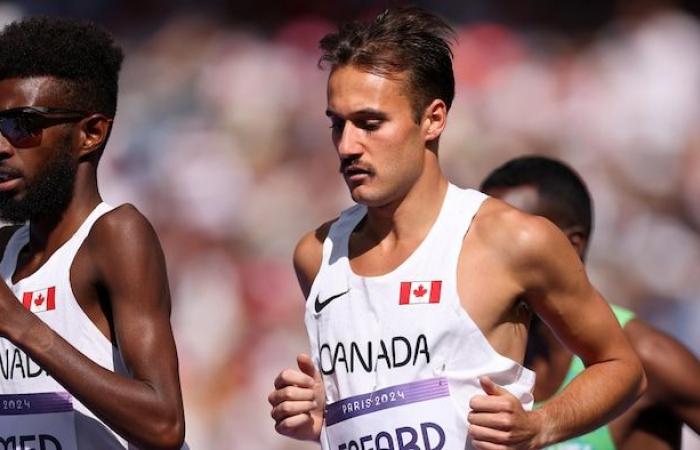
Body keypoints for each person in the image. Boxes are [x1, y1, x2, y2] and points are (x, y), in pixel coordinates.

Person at [268, 7, 645, 450]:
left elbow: (623, 368)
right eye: (337, 124)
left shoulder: (510, 240)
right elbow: (368, 410)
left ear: (434, 119)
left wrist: (540, 425)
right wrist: (320, 417)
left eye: (370, 123)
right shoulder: (316, 254)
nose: (348, 146)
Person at [0, 17, 186, 449]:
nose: (2, 144)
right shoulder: (6, 250)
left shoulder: (114, 234)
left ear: (91, 133)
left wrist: (22, 326)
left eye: (22, 123)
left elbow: (165, 425)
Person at [480, 155, 700, 450]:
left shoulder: (649, 357)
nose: (487, 259)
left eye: (511, 242)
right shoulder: (471, 353)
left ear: (571, 245)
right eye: (481, 240)